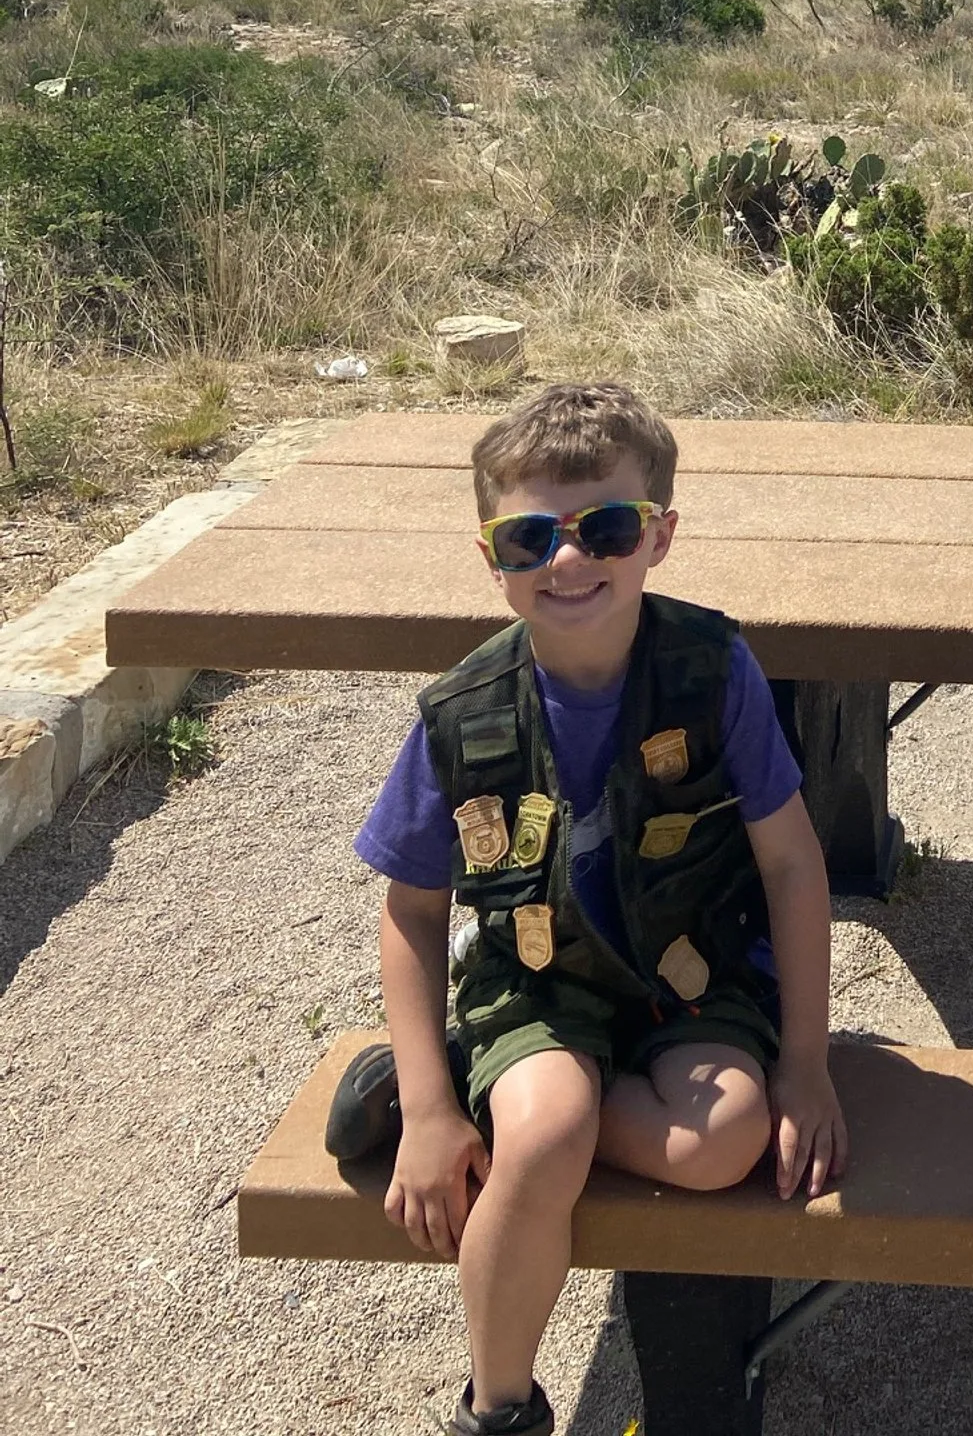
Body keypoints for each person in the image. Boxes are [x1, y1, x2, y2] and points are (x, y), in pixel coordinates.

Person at [345, 382, 845, 1436]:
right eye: (528, 538)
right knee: (544, 1138)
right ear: (491, 555)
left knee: (723, 1143)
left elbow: (794, 866)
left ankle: (517, 1105)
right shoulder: (462, 711)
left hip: (689, 973)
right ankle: (499, 1405)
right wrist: (433, 1117)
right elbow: (413, 911)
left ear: (659, 536)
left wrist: (805, 1064)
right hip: (538, 983)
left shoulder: (712, 670)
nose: (567, 563)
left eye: (604, 528)